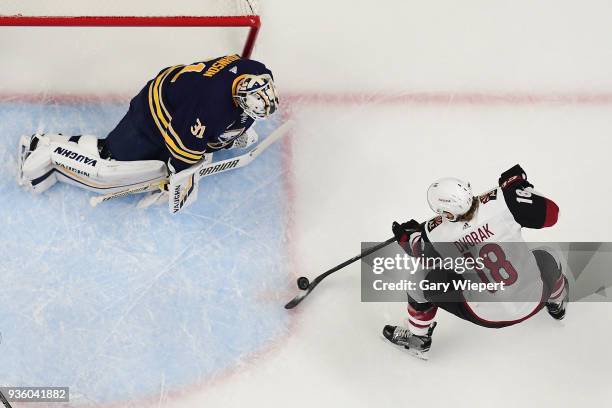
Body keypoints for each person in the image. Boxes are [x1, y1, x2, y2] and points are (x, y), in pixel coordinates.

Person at [17, 54, 279, 200]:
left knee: (199, 139)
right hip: (154, 112)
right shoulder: (208, 105)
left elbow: (228, 109)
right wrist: (179, 178)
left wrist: (224, 136)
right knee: (110, 161)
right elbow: (183, 145)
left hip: (184, 98)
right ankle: (45, 146)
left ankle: (219, 137)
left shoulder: (256, 71)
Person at [383, 165, 567, 359]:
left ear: (447, 214)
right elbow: (552, 214)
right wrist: (519, 186)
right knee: (550, 254)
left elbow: (421, 253)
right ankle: (557, 301)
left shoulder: (434, 234)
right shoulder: (505, 201)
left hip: (486, 315)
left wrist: (408, 237)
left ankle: (417, 339)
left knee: (417, 281)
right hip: (534, 299)